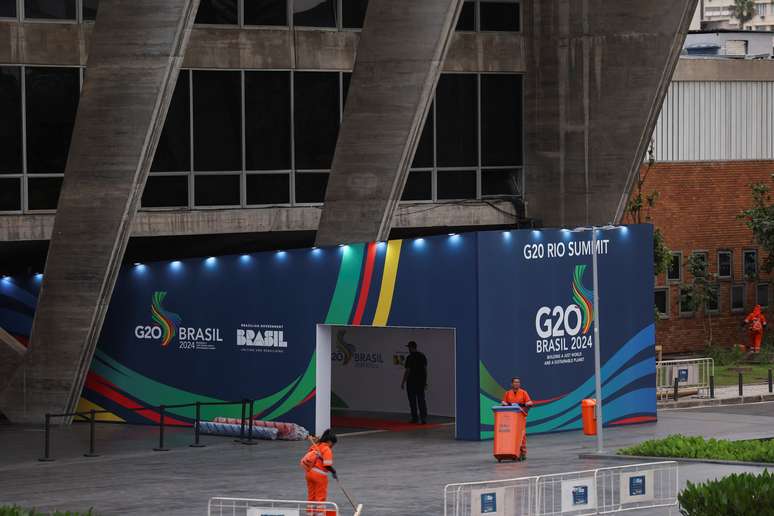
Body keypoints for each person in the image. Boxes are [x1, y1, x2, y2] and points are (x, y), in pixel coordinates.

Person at [301, 429, 338, 516]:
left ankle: (310, 513)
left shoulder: (315, 446)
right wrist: (333, 471)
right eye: (333, 444)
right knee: (320, 496)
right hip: (319, 475)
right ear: (329, 441)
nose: (333, 446)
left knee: (311, 495)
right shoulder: (326, 449)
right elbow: (327, 465)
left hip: (309, 473)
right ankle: (320, 514)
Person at [501, 377, 533, 459]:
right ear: (511, 384)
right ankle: (511, 451)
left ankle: (523, 452)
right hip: (510, 418)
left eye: (518, 382)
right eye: (515, 382)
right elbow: (503, 402)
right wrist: (504, 403)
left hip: (521, 417)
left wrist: (528, 404)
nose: (517, 383)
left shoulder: (524, 392)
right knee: (510, 435)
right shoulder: (507, 393)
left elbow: (529, 402)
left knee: (522, 435)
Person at [401, 340, 428, 424]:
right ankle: (423, 418)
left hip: (411, 382)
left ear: (411, 347)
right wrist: (425, 381)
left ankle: (415, 418)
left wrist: (403, 381)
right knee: (421, 400)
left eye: (409, 347)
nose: (408, 349)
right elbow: (425, 370)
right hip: (420, 382)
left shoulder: (410, 357)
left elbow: (407, 371)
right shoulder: (422, 356)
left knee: (412, 401)